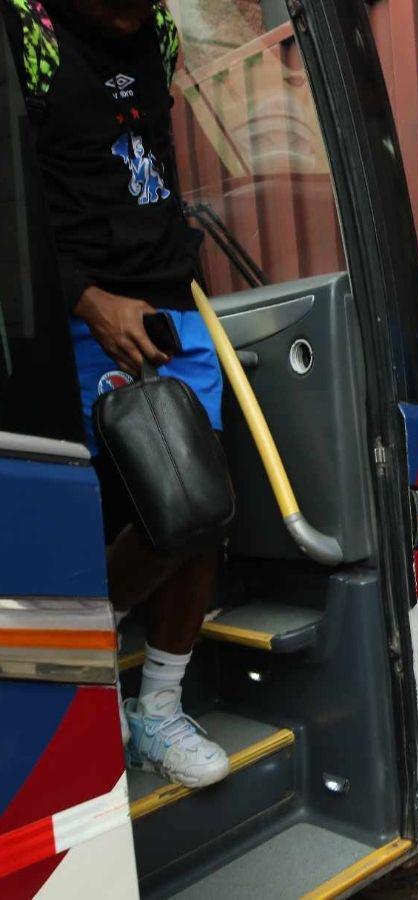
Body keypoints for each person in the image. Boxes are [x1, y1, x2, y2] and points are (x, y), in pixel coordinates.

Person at [2, 0, 230, 787]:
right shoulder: (27, 33)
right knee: (122, 510)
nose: (145, 13)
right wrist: (86, 299)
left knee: (202, 507)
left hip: (172, 304)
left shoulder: (159, 30)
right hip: (80, 312)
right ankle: (74, 670)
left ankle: (156, 709)